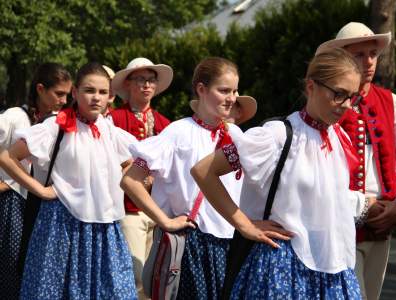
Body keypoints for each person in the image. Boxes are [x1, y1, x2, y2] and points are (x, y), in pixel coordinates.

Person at [191, 48, 367, 299]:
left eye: (352, 97)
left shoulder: (340, 139)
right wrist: (244, 225)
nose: (347, 105)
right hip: (281, 270)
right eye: (339, 94)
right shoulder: (277, 136)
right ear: (311, 87)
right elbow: (204, 171)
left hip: (333, 271)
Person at [121, 56, 256, 299]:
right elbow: (131, 180)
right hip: (194, 243)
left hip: (232, 240)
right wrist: (165, 221)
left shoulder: (236, 134)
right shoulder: (178, 132)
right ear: (201, 90)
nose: (232, 98)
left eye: (235, 91)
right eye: (224, 90)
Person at [0, 62, 137, 299]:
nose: (96, 98)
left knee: (115, 292)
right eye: (89, 90)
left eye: (102, 92)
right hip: (61, 225)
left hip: (105, 229)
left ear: (110, 97)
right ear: (76, 93)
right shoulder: (56, 126)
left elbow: (133, 163)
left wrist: (126, 182)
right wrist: (40, 191)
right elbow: (7, 157)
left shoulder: (109, 129)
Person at [316, 22, 396, 300]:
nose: (369, 62)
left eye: (373, 54)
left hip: (383, 225)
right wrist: (362, 208)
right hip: (340, 225)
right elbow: (319, 172)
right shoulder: (327, 107)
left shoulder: (393, 104)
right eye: (359, 55)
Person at [0, 62, 72, 299]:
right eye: (58, 94)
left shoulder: (57, 122)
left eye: (67, 95)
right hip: (13, 201)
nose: (63, 100)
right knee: (11, 266)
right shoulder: (16, 117)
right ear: (40, 89)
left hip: (35, 206)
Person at [110, 57, 173, 300]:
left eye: (151, 80)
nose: (147, 85)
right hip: (128, 208)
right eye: (140, 80)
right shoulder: (113, 119)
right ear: (128, 84)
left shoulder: (165, 124)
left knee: (155, 279)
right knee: (135, 276)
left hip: (158, 211)